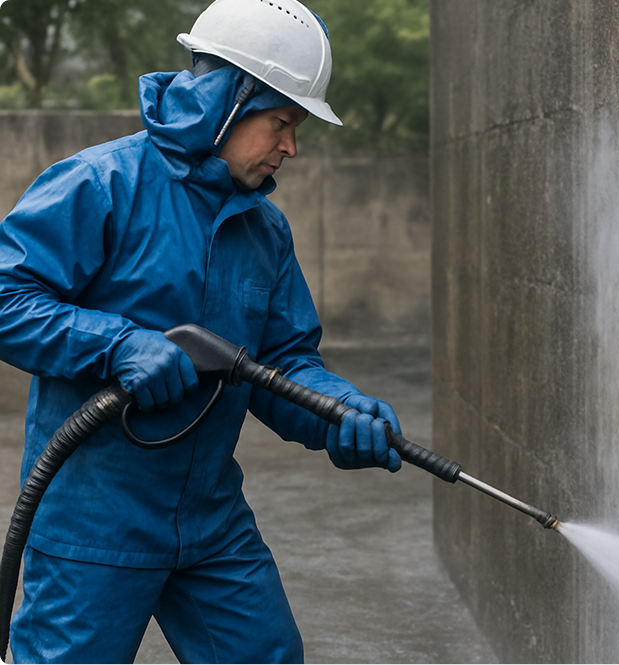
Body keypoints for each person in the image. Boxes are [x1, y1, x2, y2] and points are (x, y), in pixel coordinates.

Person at [0, 0, 403, 663]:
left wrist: (336, 413)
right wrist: (118, 343)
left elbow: (281, 360)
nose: (291, 146)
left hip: (210, 519)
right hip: (94, 521)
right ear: (226, 97)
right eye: (282, 122)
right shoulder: (102, 184)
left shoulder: (264, 229)